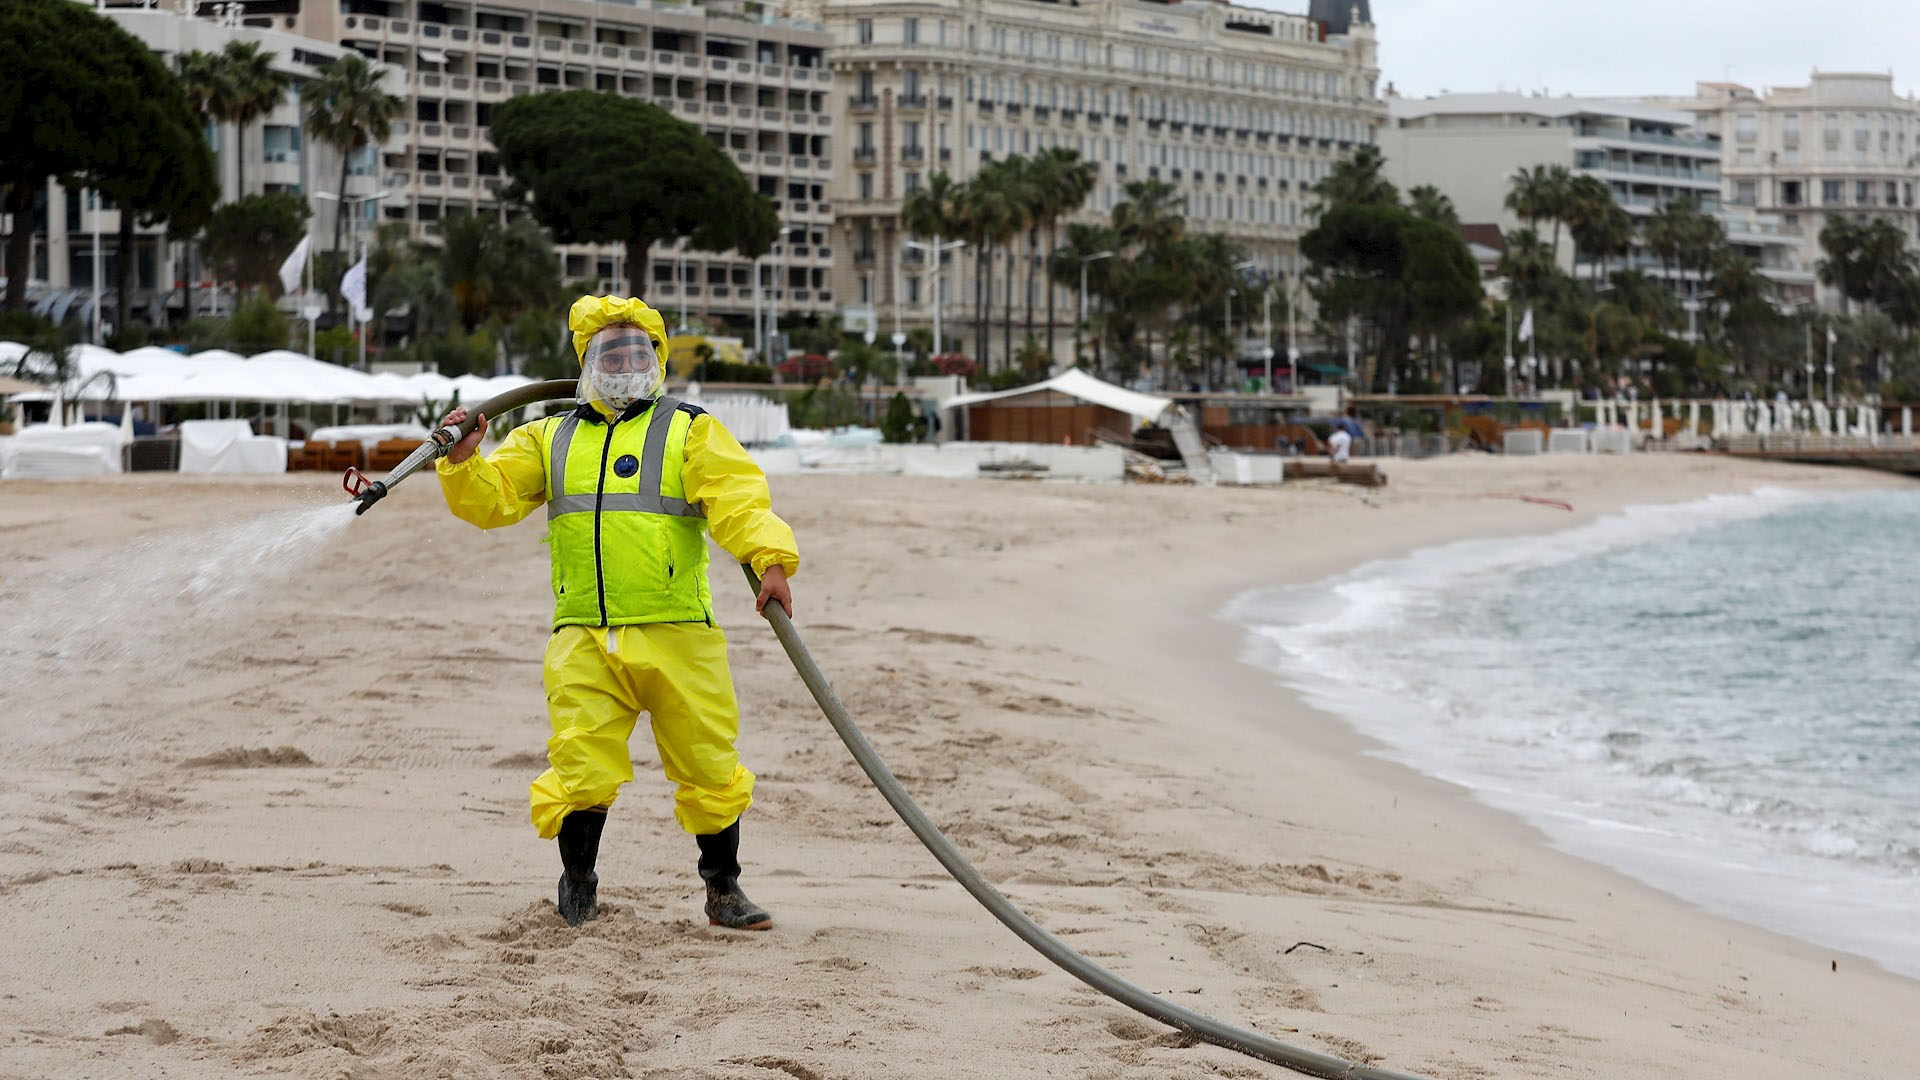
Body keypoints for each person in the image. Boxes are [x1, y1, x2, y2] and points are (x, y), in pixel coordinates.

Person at [436, 294, 799, 931]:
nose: (625, 361)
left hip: (679, 631)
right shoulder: (547, 436)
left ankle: (725, 891)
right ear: (588, 361)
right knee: (579, 763)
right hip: (583, 635)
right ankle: (578, 885)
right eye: (611, 352)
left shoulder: (689, 428)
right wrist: (463, 460)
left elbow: (738, 497)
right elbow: (491, 503)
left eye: (638, 350)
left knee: (709, 763)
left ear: (657, 359)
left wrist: (769, 559)